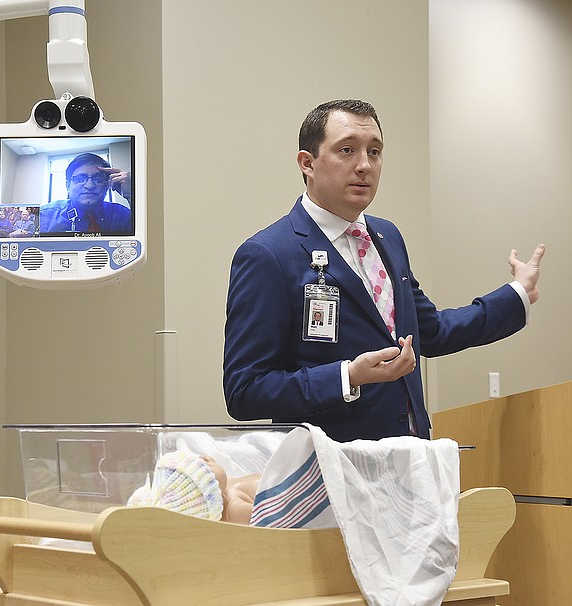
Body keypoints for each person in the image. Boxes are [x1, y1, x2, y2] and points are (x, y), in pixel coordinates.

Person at [223, 99, 546, 442]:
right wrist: (348, 377)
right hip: (327, 471)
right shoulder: (267, 255)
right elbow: (245, 390)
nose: (364, 165)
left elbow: (431, 331)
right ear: (308, 163)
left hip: (410, 460)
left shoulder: (387, 237)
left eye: (374, 152)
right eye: (347, 150)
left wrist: (516, 295)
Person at [39, 152, 132, 235]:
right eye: (80, 179)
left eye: (98, 179)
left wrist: (132, 195)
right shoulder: (43, 216)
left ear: (107, 185)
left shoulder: (123, 215)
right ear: (68, 185)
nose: (89, 185)